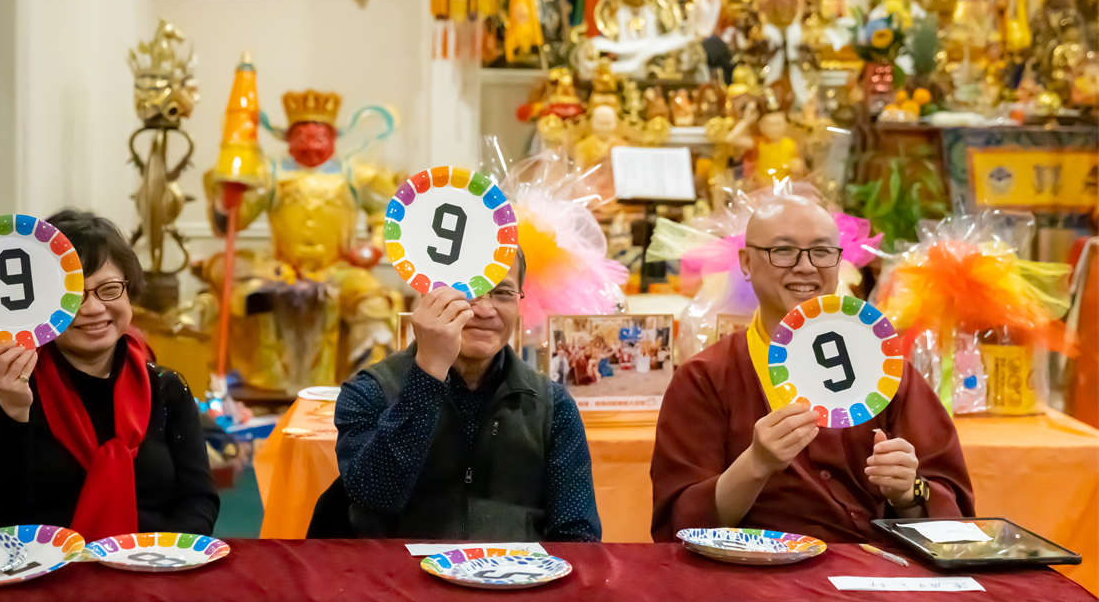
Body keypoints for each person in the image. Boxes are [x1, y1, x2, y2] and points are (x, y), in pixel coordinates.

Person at [651, 196, 975, 543]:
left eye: (821, 252)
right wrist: (755, 464)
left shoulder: (884, 369)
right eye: (783, 251)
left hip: (871, 566)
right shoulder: (706, 376)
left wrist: (909, 494)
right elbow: (679, 529)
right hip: (755, 569)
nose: (806, 267)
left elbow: (954, 515)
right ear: (746, 262)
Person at [0, 209, 218, 540]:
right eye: (71, 296)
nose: (92, 308)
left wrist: (160, 558)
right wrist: (14, 412)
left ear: (129, 291)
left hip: (155, 563)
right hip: (54, 565)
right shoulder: (14, 387)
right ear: (40, 306)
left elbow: (198, 500)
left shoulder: (167, 389)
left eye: (109, 289)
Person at [334, 252, 601, 541]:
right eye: (467, 290)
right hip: (400, 568)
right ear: (428, 296)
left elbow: (577, 537)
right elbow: (374, 498)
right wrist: (428, 374)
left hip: (517, 570)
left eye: (503, 293)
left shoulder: (553, 406)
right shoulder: (371, 391)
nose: (485, 310)